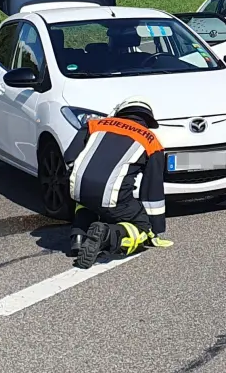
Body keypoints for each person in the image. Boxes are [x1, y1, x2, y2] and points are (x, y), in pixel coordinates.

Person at [63, 99, 173, 270]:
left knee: (86, 199)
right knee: (141, 228)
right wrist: (155, 226)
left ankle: (79, 236)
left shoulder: (94, 125)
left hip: (79, 190)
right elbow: (152, 188)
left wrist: (75, 181)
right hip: (114, 198)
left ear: (120, 113)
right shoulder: (151, 141)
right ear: (147, 121)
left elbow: (70, 157)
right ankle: (107, 236)